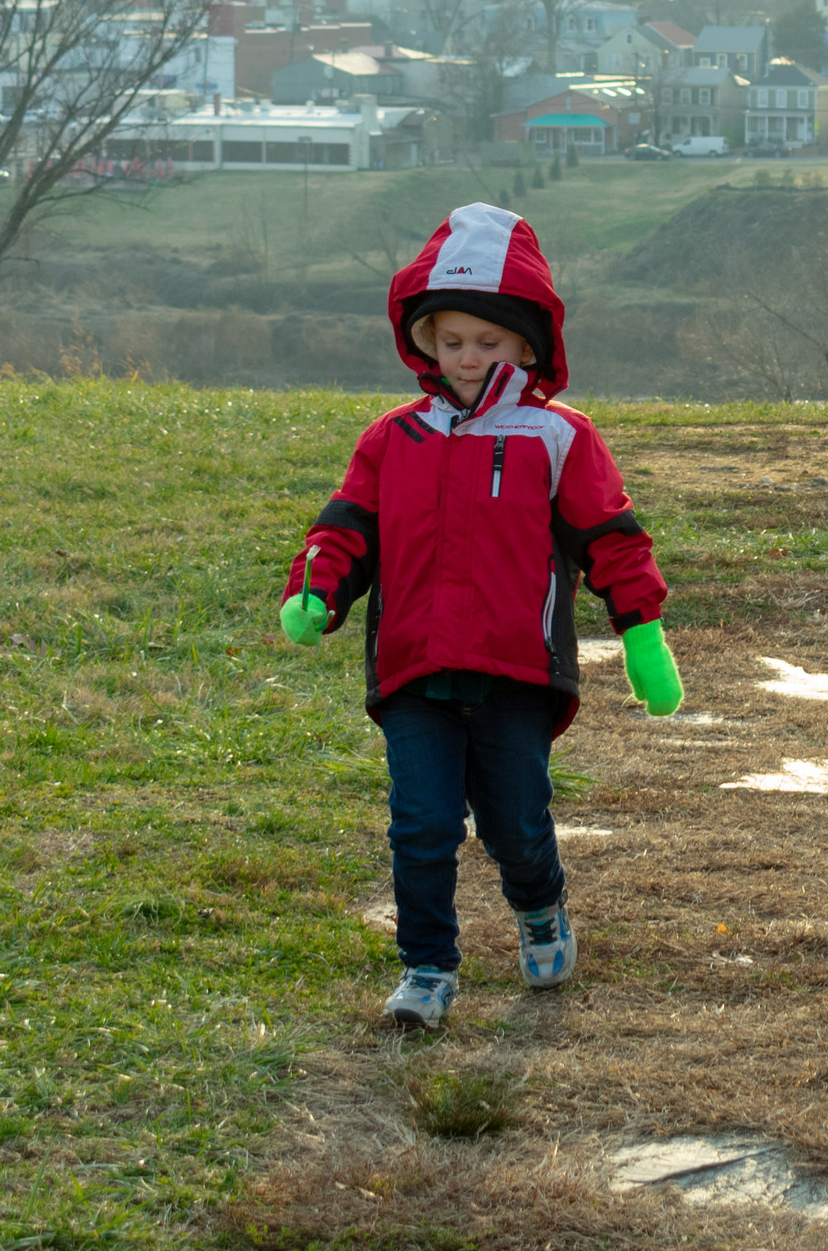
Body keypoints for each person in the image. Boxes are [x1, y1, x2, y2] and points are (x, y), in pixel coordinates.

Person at [276, 201, 684, 1028]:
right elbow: (346, 525)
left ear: (528, 344)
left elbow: (613, 538)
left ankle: (541, 908)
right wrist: (317, 586)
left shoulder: (559, 438)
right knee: (420, 826)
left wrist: (643, 633)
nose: (468, 358)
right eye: (451, 340)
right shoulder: (394, 439)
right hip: (415, 670)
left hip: (517, 675)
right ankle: (427, 968)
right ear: (425, 341)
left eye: (488, 342)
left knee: (517, 825)